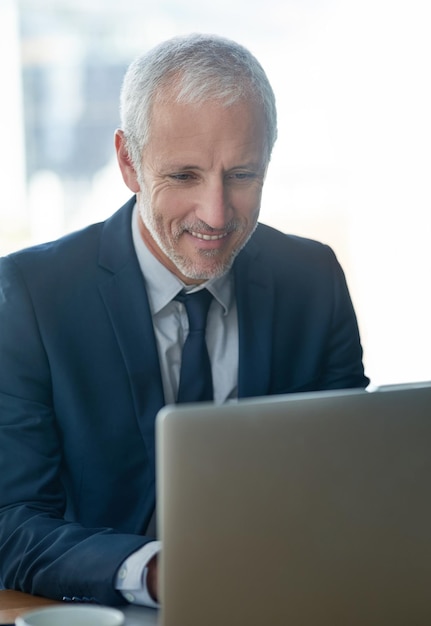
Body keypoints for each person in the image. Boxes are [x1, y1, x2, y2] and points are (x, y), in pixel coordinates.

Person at [0, 33, 369, 606]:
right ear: (129, 162)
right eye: (184, 176)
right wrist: (153, 572)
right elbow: (11, 524)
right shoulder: (29, 296)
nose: (216, 215)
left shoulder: (312, 280)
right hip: (107, 610)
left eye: (242, 175)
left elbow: (356, 478)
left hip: (286, 602)